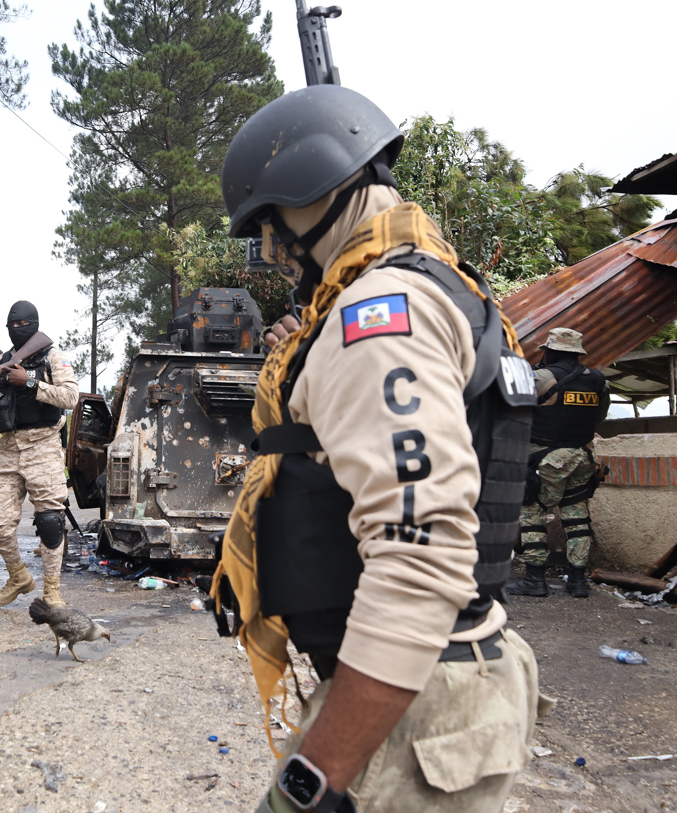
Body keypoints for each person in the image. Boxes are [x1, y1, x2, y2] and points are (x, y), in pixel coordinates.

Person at [211, 85, 545, 813]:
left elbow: (420, 556)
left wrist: (315, 779)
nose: (276, 254)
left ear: (311, 193)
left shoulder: (378, 312)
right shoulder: (446, 285)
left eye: (272, 228)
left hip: (413, 700)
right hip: (436, 676)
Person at [0, 301, 79, 608]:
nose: (18, 330)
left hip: (44, 445)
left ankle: (52, 591)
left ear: (35, 324)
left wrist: (31, 382)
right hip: (9, 448)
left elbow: (71, 396)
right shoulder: (1, 361)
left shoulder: (52, 356)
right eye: (13, 326)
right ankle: (19, 576)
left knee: (50, 521)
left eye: (24, 325)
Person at [508, 328, 609, 599]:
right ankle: (577, 582)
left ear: (550, 351)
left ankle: (534, 580)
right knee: (577, 518)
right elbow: (598, 417)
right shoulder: (599, 381)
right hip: (583, 457)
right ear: (577, 353)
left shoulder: (539, 377)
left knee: (532, 513)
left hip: (546, 459)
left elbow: (511, 411)